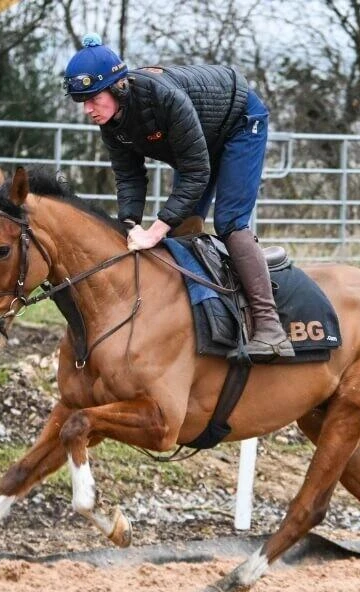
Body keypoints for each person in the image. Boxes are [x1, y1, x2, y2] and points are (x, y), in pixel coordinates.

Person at [61, 34, 295, 359]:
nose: (87, 110)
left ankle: (270, 329)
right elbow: (129, 176)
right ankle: (201, 317)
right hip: (200, 138)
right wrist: (129, 224)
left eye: (92, 99)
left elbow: (197, 171)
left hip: (240, 123)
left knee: (229, 221)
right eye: (81, 102)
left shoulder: (162, 97)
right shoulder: (112, 123)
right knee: (184, 226)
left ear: (117, 88)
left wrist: (155, 230)